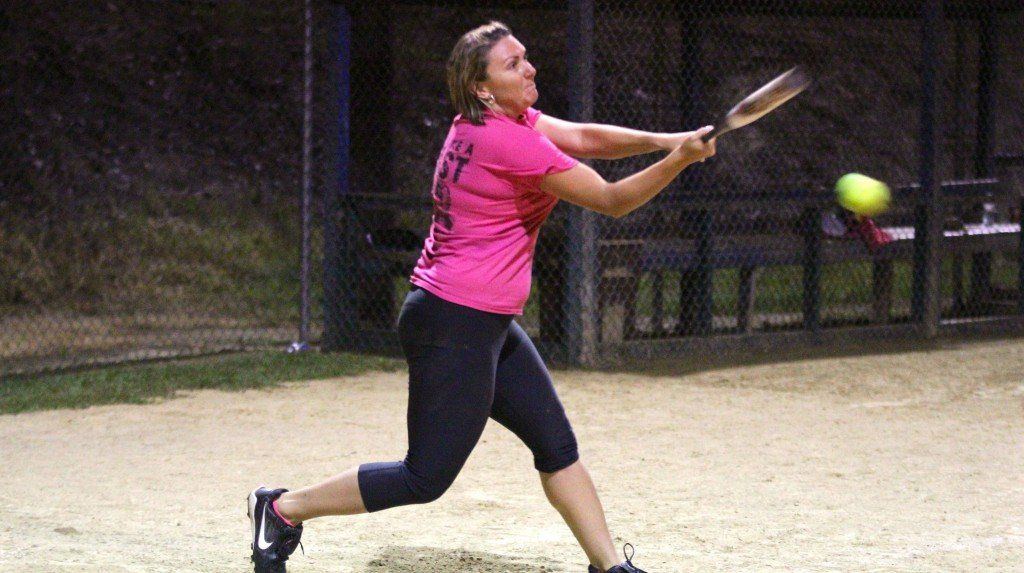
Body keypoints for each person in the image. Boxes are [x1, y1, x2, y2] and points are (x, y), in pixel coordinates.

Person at [247, 21, 715, 573]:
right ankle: (281, 509)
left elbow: (585, 137)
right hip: (454, 322)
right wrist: (679, 160)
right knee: (424, 476)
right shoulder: (507, 142)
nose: (530, 68)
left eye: (526, 56)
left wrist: (665, 141)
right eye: (513, 64)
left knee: (556, 446)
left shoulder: (493, 121)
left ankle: (611, 566)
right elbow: (611, 200)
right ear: (483, 88)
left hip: (482, 321)